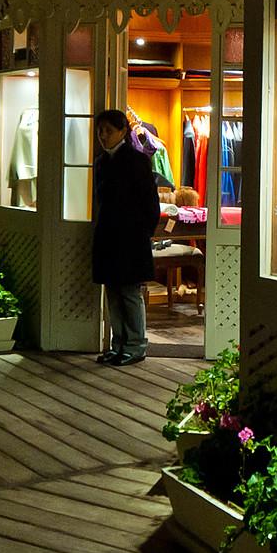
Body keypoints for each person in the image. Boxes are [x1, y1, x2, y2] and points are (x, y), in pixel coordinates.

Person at [91, 108, 161, 366]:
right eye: (100, 130)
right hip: (107, 235)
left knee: (130, 292)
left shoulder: (136, 159)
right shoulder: (101, 161)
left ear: (123, 131)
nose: (103, 135)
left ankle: (136, 345)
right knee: (112, 291)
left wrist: (144, 232)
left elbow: (150, 203)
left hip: (131, 237)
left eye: (109, 130)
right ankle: (117, 343)